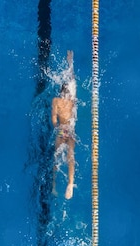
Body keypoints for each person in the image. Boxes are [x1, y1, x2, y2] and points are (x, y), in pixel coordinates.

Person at [51, 50, 76, 199]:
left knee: (56, 156)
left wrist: (57, 127)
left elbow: (54, 118)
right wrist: (70, 62)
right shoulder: (72, 101)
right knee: (70, 156)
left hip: (62, 130)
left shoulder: (56, 101)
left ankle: (54, 185)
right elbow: (72, 78)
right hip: (70, 129)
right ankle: (70, 183)